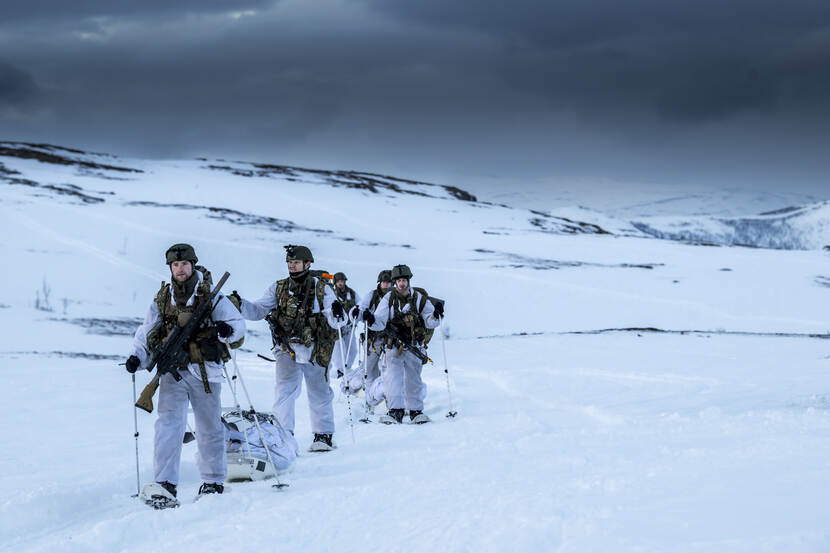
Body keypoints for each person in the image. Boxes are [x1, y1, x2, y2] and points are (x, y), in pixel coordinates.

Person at [126, 243, 246, 508]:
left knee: (209, 427)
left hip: (206, 372)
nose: (180, 269)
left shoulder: (212, 296)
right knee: (168, 426)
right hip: (172, 372)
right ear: (170, 268)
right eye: (175, 265)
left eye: (184, 264)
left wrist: (226, 331)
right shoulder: (162, 298)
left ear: (193, 265)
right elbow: (147, 331)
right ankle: (165, 483)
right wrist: (137, 356)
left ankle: (213, 481)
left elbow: (238, 325)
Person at [233, 245, 346, 452]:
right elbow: (258, 310)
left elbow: (335, 318)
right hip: (286, 348)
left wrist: (337, 311)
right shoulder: (278, 288)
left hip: (315, 348)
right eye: (289, 262)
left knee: (319, 391)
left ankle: (323, 435)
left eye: (296, 262)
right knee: (284, 391)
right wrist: (240, 304)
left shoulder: (322, 288)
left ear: (308, 263)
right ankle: (284, 435)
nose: (292, 266)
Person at [366, 264, 442, 424]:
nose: (401, 283)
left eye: (404, 280)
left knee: (413, 379)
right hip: (393, 347)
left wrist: (436, 314)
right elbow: (379, 321)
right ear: (395, 282)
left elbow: (429, 322)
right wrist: (371, 320)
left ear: (409, 280)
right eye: (399, 280)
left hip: (414, 346)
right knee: (393, 379)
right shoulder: (389, 299)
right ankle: (395, 411)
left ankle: (416, 411)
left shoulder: (419, 298)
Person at [341, 269, 391, 398]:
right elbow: (359, 308)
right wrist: (357, 313)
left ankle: (389, 398)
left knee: (388, 369)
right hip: (373, 339)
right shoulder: (372, 295)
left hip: (392, 339)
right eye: (384, 282)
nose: (386, 285)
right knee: (369, 370)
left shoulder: (396, 297)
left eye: (389, 282)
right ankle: (369, 398)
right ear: (379, 282)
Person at [329, 272, 361, 379]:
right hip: (336, 327)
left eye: (342, 281)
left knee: (352, 350)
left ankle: (347, 368)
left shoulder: (351, 293)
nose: (341, 283)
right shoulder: (331, 293)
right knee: (339, 350)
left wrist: (358, 311)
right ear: (335, 283)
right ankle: (340, 370)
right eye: (338, 281)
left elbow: (360, 303)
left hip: (349, 327)